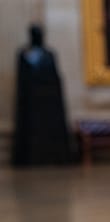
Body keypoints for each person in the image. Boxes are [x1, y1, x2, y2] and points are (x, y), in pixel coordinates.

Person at [12, 24, 72, 166]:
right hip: (31, 105)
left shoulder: (49, 54)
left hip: (48, 103)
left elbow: (56, 78)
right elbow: (22, 80)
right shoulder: (24, 54)